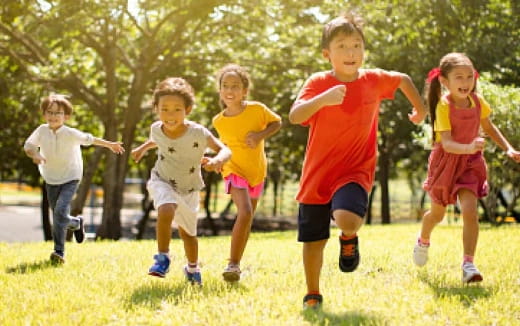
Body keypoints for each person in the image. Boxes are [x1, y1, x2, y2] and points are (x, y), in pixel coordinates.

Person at [288, 12, 426, 309]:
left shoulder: (373, 80)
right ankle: (313, 293)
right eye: (342, 46)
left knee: (348, 219)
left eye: (356, 45)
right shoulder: (318, 82)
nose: (351, 53)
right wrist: (322, 99)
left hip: (354, 170)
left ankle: (348, 237)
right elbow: (295, 115)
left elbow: (403, 80)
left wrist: (421, 110)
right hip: (317, 174)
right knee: (313, 240)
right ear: (327, 54)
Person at [413, 52, 520, 283]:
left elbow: (489, 128)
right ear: (444, 81)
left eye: (469, 77)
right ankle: (423, 238)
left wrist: (508, 149)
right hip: (446, 164)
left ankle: (468, 264)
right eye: (459, 77)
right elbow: (448, 144)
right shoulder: (443, 106)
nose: (465, 82)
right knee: (437, 215)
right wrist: (470, 146)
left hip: (470, 164)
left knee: (470, 212)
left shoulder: (478, 102)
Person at [131, 77, 231, 285]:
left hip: (189, 188)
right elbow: (157, 140)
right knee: (166, 209)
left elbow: (225, 149)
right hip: (162, 179)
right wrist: (142, 148)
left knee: (189, 235)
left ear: (188, 109)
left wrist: (217, 160)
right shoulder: (156, 128)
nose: (170, 115)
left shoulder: (198, 133)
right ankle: (162, 258)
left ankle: (192, 268)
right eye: (164, 109)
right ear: (156, 109)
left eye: (177, 109)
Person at [24, 94, 125, 264]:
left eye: (58, 113)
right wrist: (36, 155)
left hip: (70, 177)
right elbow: (29, 146)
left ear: (66, 116)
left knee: (59, 213)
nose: (53, 116)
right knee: (58, 215)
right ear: (44, 115)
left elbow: (90, 139)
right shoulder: (41, 130)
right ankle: (76, 223)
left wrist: (110, 145)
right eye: (50, 112)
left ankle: (59, 252)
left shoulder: (70, 133)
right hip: (50, 177)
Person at [212, 64, 282, 282]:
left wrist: (260, 135)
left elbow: (277, 122)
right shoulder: (218, 121)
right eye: (225, 86)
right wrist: (214, 160)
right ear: (220, 90)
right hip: (233, 169)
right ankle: (232, 263)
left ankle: (236, 266)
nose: (230, 90)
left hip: (256, 171)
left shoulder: (257, 110)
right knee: (245, 212)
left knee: (247, 216)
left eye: (235, 86)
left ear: (245, 91)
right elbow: (221, 146)